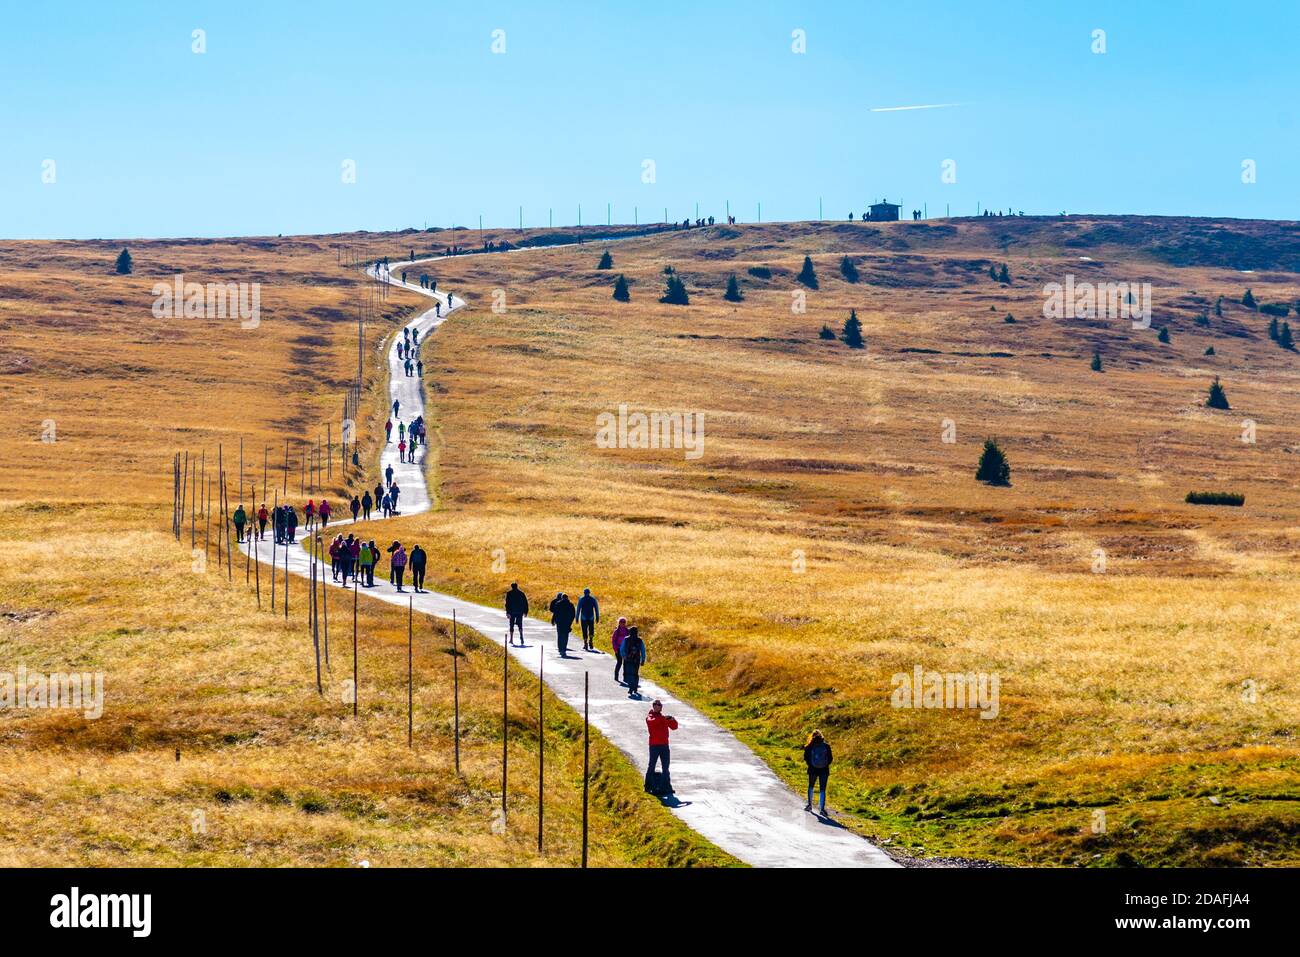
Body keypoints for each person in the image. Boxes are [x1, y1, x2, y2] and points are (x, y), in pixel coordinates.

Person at [645, 699, 678, 795]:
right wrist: (665, 718)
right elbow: (652, 722)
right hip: (654, 745)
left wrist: (672, 719)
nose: (657, 707)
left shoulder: (663, 718)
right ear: (653, 706)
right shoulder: (650, 717)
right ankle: (648, 786)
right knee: (651, 766)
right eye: (655, 705)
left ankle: (667, 787)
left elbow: (674, 727)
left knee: (666, 767)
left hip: (664, 745)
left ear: (661, 707)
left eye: (659, 705)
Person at [803, 730, 833, 815]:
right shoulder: (826, 746)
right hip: (824, 770)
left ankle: (810, 805)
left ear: (812, 737)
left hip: (812, 769)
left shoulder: (809, 746)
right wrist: (825, 764)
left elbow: (806, 757)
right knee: (822, 789)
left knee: (811, 786)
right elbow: (830, 758)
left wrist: (811, 764)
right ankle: (822, 809)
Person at [622, 626, 646, 698]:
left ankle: (631, 687)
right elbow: (643, 651)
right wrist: (643, 659)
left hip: (628, 659)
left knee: (629, 674)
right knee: (635, 674)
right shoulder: (640, 640)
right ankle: (634, 687)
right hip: (636, 660)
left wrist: (623, 656)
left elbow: (622, 649)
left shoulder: (626, 639)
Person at [551, 592, 576, 657]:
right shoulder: (570, 605)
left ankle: (560, 649)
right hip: (567, 623)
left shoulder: (558, 604)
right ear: (567, 598)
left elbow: (555, 613)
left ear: (562, 598)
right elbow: (573, 614)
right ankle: (564, 649)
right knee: (565, 636)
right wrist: (570, 622)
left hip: (559, 623)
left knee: (560, 635)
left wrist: (553, 620)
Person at [611, 617, 629, 683]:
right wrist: (615, 649)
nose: (623, 623)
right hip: (618, 649)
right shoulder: (616, 631)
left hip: (625, 649)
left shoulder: (627, 631)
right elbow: (613, 641)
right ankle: (616, 676)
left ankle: (625, 677)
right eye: (621, 622)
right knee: (619, 662)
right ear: (619, 623)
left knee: (625, 663)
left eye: (624, 622)